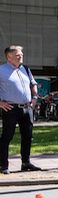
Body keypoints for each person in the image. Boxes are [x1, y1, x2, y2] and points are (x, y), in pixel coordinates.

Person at [0, 45, 41, 173]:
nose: (21, 56)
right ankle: (3, 165)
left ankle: (26, 162)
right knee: (7, 136)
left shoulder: (25, 69)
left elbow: (33, 84)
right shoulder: (1, 70)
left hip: (27, 108)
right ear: (9, 57)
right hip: (10, 108)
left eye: (21, 54)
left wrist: (34, 97)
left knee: (28, 136)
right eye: (18, 55)